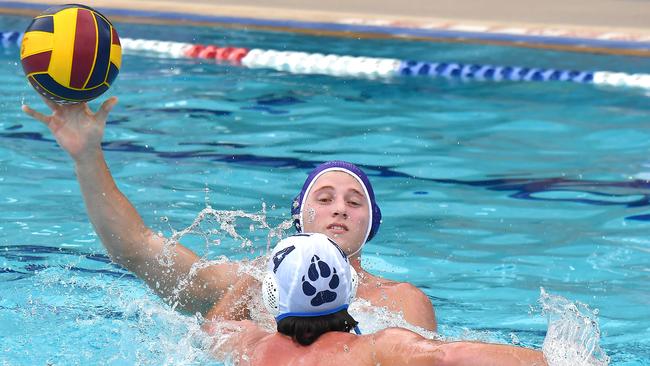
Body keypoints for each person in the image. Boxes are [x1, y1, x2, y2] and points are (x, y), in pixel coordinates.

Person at [22, 97, 436, 330]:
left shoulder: (403, 301)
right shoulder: (250, 282)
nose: (340, 208)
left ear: (371, 224)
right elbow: (137, 250)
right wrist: (86, 155)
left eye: (354, 201)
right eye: (324, 198)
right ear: (300, 218)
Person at [202, 233, 547, 366]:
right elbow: (448, 355)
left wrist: (254, 273)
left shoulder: (250, 344)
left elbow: (212, 327)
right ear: (350, 289)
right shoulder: (374, 348)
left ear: (270, 295)